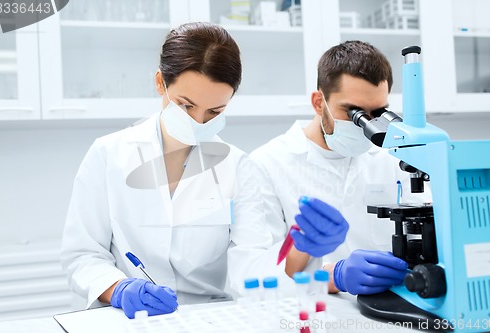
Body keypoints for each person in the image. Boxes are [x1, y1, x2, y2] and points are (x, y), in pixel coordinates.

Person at [60, 22, 348, 319]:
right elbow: (82, 255)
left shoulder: (238, 167)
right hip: (126, 317)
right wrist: (119, 288)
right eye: (186, 106)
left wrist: (300, 249)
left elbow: (250, 267)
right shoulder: (108, 154)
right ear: (161, 83)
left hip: (206, 317)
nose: (198, 122)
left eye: (214, 112)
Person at [251, 40, 430, 296]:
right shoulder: (267, 164)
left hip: (391, 307)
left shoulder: (393, 157)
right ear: (318, 103)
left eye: (377, 113)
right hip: (312, 312)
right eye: (353, 112)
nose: (365, 125)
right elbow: (262, 272)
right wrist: (333, 276)